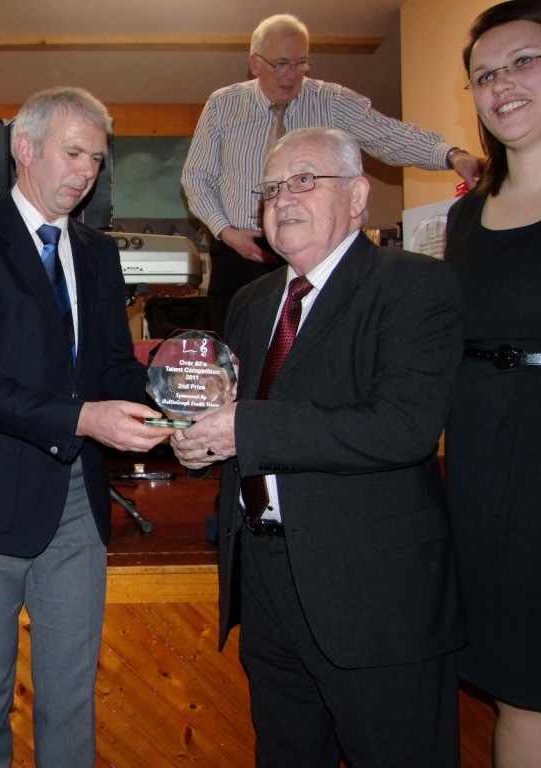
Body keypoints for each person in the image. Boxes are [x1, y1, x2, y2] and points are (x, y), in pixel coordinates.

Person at [171, 127, 465, 766]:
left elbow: (401, 428)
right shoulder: (251, 303)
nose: (282, 200)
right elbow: (238, 421)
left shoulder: (415, 286)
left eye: (305, 180)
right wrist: (202, 447)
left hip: (374, 596)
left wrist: (244, 429)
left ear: (358, 196)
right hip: (268, 586)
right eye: (271, 188)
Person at [0, 87, 173, 767]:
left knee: (71, 700)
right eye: (73, 153)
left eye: (96, 160)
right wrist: (84, 417)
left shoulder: (97, 252)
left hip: (78, 507)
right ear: (24, 148)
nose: (85, 172)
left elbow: (115, 371)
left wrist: (175, 405)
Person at [181, 12, 480, 338]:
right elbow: (196, 177)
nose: (292, 75)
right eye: (281, 64)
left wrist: (453, 156)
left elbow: (390, 136)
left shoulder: (333, 100)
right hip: (242, 252)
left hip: (319, 252)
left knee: (314, 348)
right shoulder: (223, 105)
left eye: (302, 63)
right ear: (255, 64)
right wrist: (225, 232)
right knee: (236, 353)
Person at [445, 3, 541, 765]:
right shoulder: (465, 219)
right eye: (485, 75)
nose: (503, 84)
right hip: (485, 470)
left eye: (524, 62)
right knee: (520, 688)